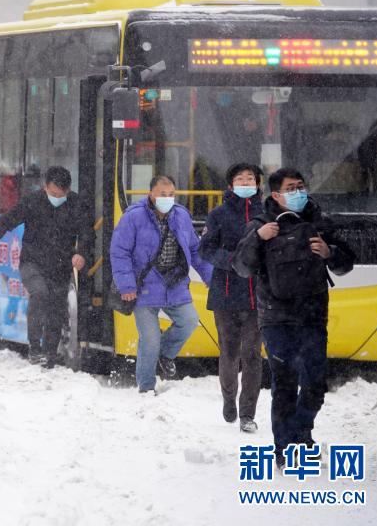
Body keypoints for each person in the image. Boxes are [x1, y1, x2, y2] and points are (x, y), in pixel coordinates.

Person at [232, 167, 354, 468]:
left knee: (315, 383)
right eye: (291, 188)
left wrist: (330, 252)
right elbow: (242, 267)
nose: (298, 192)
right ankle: (284, 446)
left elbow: (346, 263)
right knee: (284, 382)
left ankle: (301, 431)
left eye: (301, 186)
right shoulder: (260, 224)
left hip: (312, 315)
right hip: (276, 318)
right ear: (276, 194)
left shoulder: (319, 221)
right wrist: (258, 239)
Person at [0, 166, 94, 368]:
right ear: (45, 187)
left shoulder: (76, 204)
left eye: (62, 194)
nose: (58, 197)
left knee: (56, 308)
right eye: (54, 194)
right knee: (39, 294)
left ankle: (49, 353)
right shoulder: (33, 202)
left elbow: (87, 233)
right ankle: (35, 348)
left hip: (61, 265)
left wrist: (81, 252)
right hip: (32, 262)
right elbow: (6, 222)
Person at [109, 175, 213, 393]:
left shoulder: (181, 216)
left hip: (174, 284)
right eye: (163, 194)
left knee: (189, 321)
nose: (167, 199)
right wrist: (126, 286)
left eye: (171, 195)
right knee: (150, 339)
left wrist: (209, 276)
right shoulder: (134, 217)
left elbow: (195, 250)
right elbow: (120, 252)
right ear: (151, 195)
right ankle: (146, 387)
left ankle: (165, 355)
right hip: (144, 288)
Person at [199, 163, 264, 432]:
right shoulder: (218, 215)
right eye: (240, 179)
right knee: (229, 352)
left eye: (251, 178)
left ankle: (248, 414)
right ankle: (229, 400)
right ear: (230, 185)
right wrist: (233, 261)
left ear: (259, 183)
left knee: (252, 354)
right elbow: (205, 249)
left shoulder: (268, 214)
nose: (246, 182)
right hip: (226, 294)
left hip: (258, 297)